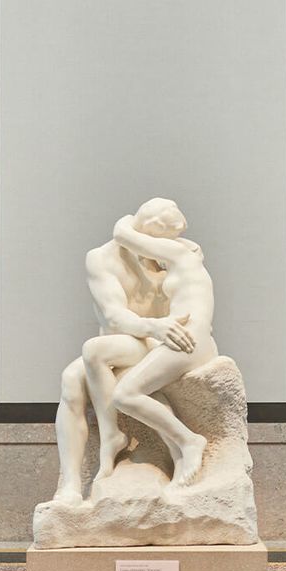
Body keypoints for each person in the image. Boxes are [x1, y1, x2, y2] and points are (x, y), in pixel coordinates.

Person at [54, 203, 194, 503]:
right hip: (129, 339)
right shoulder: (103, 258)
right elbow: (114, 315)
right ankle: (70, 484)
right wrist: (153, 326)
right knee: (71, 379)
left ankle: (113, 437)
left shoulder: (177, 253)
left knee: (94, 352)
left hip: (159, 345)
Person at [90, 199, 217, 489]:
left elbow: (123, 234)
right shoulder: (183, 253)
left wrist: (129, 219)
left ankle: (190, 441)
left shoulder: (179, 253)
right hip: (185, 338)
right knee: (124, 382)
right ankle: (178, 453)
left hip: (190, 340)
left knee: (125, 395)